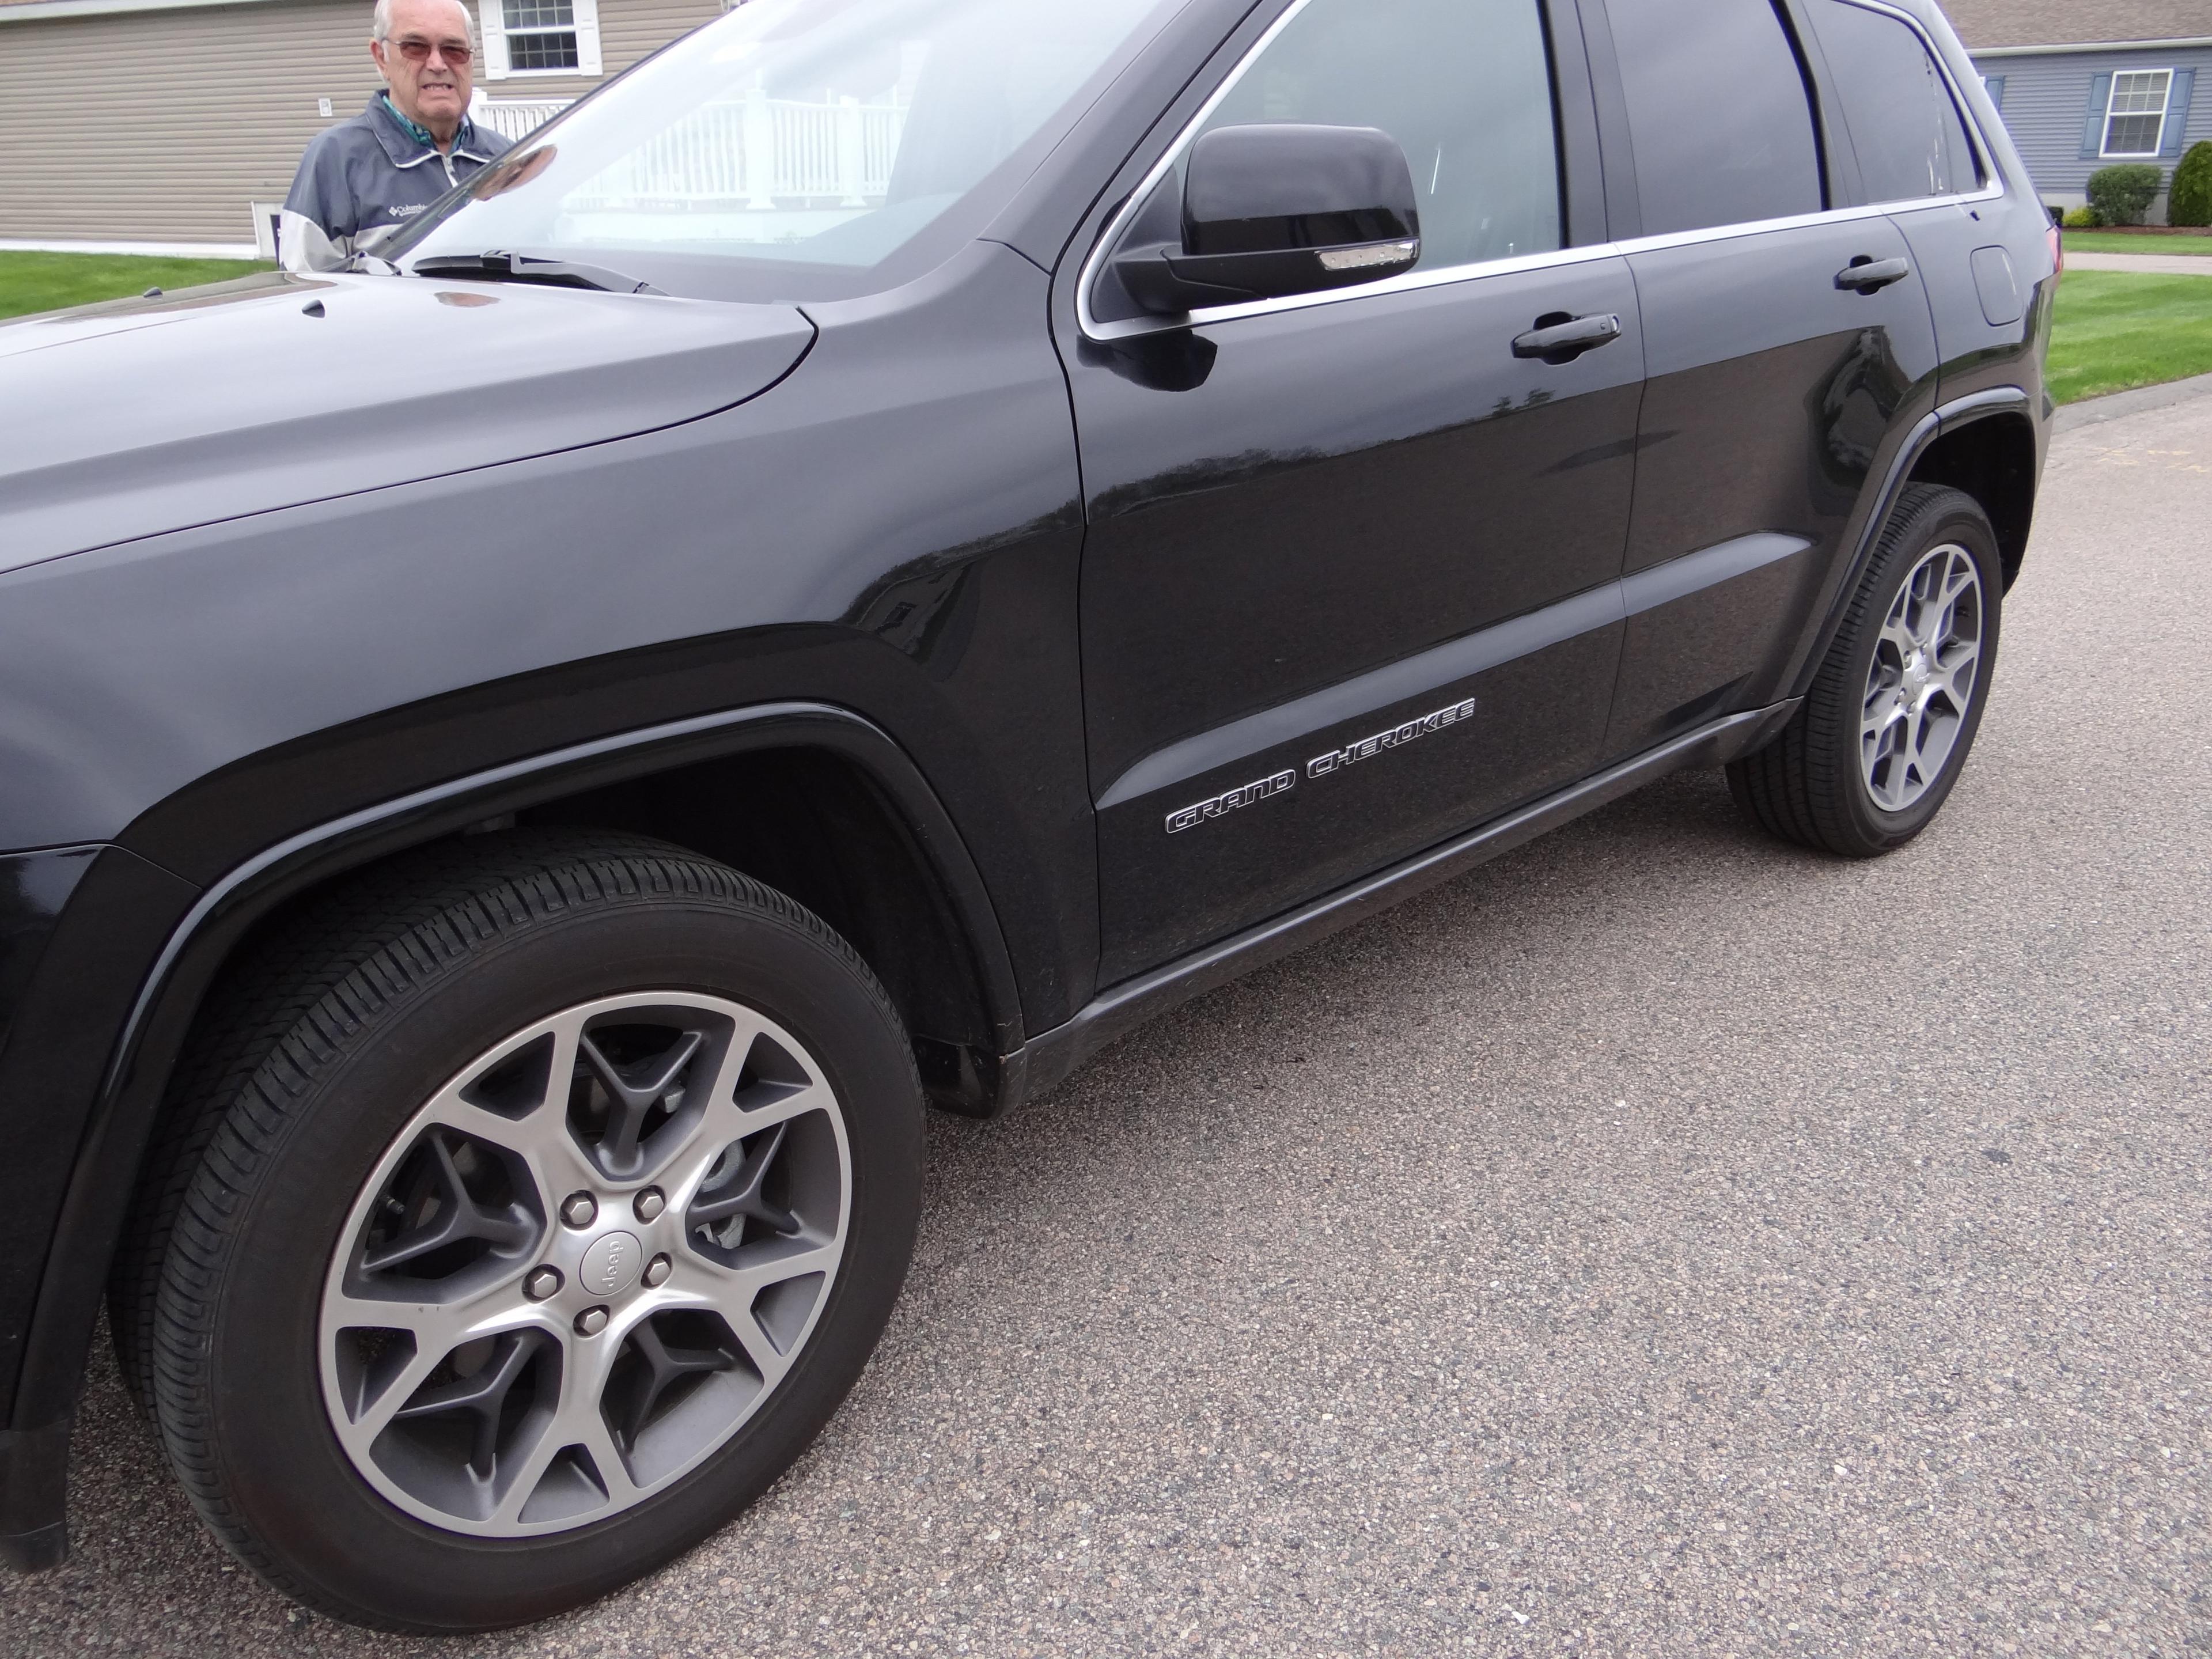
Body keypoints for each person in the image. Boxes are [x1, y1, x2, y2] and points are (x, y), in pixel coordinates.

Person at [282, 0, 513, 266]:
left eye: (454, 49)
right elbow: (306, 293)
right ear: (382, 58)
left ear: (471, 58)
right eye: (416, 47)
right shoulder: (335, 161)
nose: (437, 64)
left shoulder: (505, 160)